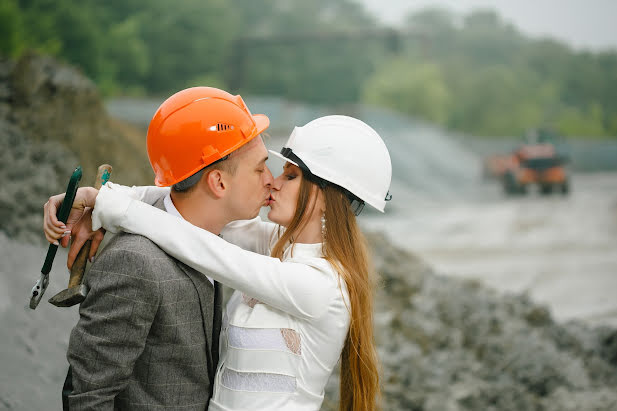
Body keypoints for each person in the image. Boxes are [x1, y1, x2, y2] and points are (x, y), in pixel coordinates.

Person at [46, 114, 392, 410]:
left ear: (325, 196)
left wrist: (113, 208)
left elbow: (207, 250)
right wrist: (102, 199)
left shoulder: (321, 285)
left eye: (290, 175)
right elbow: (198, 212)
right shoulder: (280, 246)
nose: (272, 181)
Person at [45, 86, 274, 410]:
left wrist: (103, 201)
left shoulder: (213, 237)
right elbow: (87, 398)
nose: (271, 180)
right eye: (260, 168)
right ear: (218, 182)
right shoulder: (135, 263)